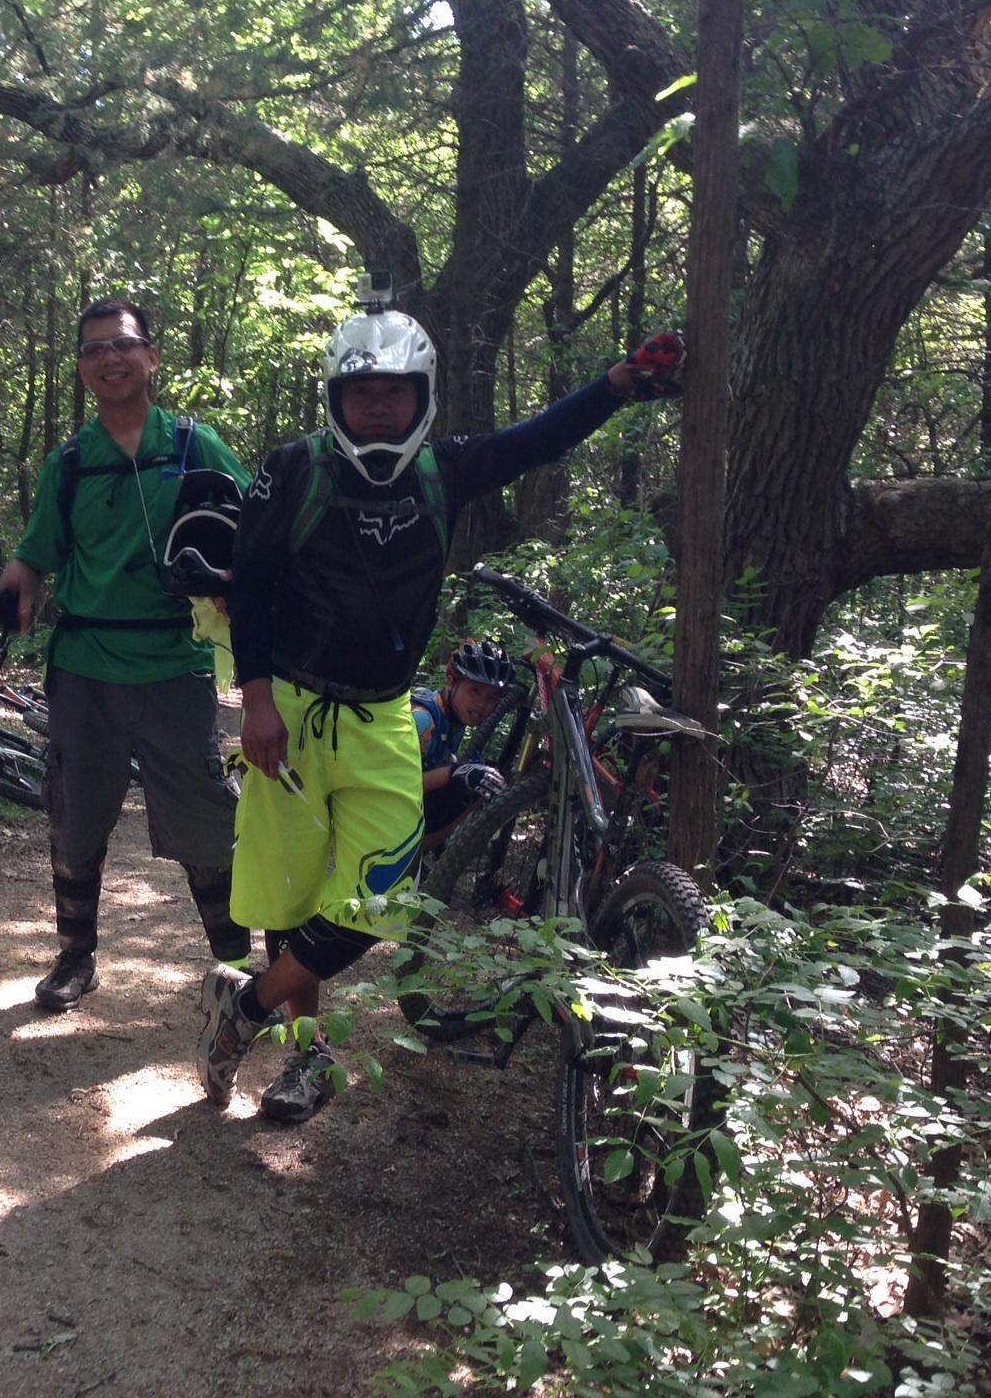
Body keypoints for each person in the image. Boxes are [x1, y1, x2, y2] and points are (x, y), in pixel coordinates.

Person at [200, 292, 683, 1122]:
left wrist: (621, 384)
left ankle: (241, 1011)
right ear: (335, 397)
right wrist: (257, 703)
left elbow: (538, 439)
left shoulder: (444, 468)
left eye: (395, 392)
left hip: (385, 720)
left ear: (422, 396)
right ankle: (304, 1060)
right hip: (292, 714)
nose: (378, 406)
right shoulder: (295, 468)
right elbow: (255, 587)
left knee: (371, 908)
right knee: (291, 902)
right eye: (362, 393)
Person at [0, 296, 254, 1011]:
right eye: (92, 350)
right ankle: (76, 957)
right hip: (85, 666)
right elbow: (36, 553)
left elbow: (253, 532)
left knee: (204, 815)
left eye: (121, 345)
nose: (108, 359)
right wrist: (16, 583)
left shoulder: (197, 446)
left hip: (176, 664)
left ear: (151, 357)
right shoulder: (72, 463)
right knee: (75, 812)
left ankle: (235, 967)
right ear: (81, 369)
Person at [415, 639, 517, 851]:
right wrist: (456, 772)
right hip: (374, 807)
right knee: (464, 782)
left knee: (479, 784)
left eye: (492, 698)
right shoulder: (424, 720)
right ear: (452, 681)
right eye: (475, 691)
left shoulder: (453, 720)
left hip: (403, 805)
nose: (482, 704)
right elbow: (397, 785)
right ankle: (410, 859)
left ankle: (426, 852)